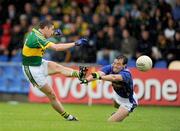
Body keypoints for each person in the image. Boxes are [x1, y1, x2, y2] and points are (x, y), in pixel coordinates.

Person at [22, 20, 88, 121]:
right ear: (46, 28)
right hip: (31, 69)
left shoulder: (37, 31)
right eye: (52, 29)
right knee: (51, 95)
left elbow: (46, 33)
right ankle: (67, 117)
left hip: (38, 62)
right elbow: (56, 47)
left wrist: (53, 33)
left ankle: (79, 74)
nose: (52, 31)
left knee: (58, 68)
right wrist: (75, 43)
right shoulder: (37, 37)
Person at [81, 55, 138, 122]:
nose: (115, 66)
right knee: (116, 105)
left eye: (118, 64)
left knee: (110, 122)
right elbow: (99, 73)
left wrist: (99, 77)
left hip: (128, 101)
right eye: (114, 63)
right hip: (118, 96)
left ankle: (125, 112)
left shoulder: (126, 74)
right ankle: (119, 113)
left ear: (124, 65)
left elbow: (114, 77)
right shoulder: (111, 67)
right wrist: (87, 80)